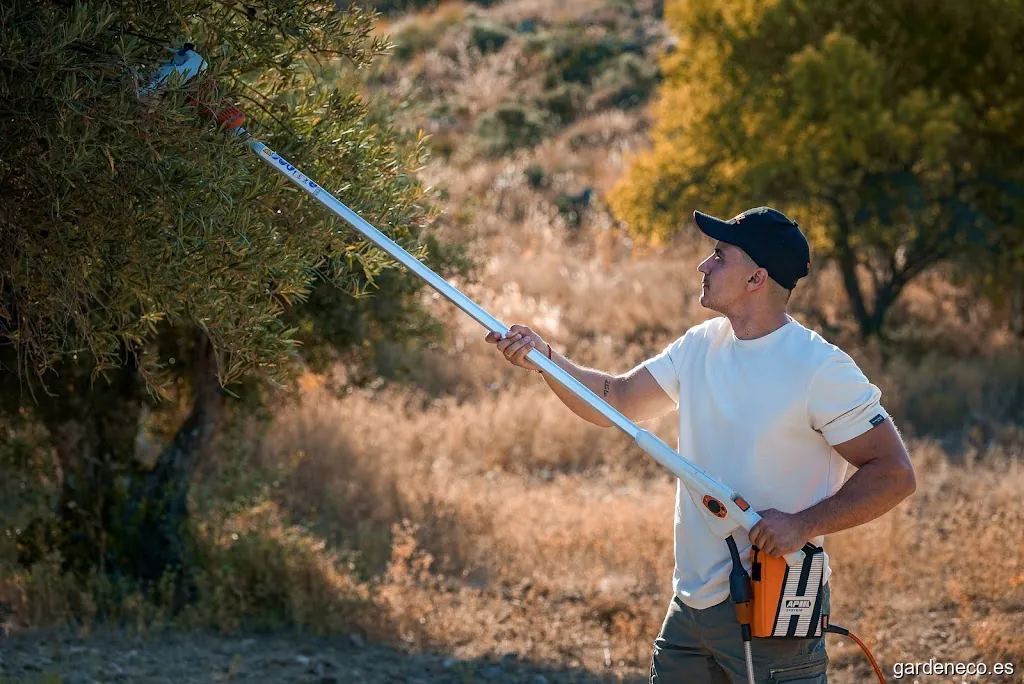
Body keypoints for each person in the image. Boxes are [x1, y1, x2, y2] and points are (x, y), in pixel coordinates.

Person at [485, 206, 917, 683]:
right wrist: (545, 360)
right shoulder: (700, 345)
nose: (703, 266)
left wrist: (802, 524)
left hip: (772, 615)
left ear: (757, 278)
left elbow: (894, 473)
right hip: (691, 607)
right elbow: (616, 399)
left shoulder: (821, 369)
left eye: (718, 255)